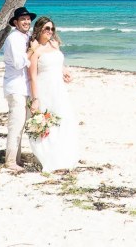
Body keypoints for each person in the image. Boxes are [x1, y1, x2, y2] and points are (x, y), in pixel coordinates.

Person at [27, 16, 78, 171]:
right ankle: (48, 159)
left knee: (64, 120)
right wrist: (35, 99)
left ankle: (63, 156)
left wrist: (65, 71)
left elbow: (58, 63)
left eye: (52, 28)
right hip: (44, 90)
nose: (50, 31)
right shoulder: (35, 50)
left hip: (59, 89)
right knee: (47, 124)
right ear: (39, 29)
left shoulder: (54, 45)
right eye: (47, 28)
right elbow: (32, 77)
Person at [3, 5, 36, 172]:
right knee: (16, 125)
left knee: (21, 125)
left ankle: (16, 159)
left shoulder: (27, 36)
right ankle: (10, 162)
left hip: (24, 87)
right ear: (15, 22)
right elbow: (18, 63)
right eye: (23, 19)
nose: (26, 21)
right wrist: (31, 51)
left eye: (28, 19)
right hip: (15, 87)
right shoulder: (13, 38)